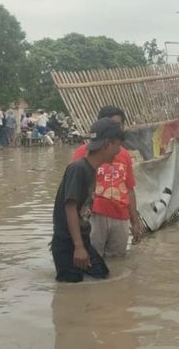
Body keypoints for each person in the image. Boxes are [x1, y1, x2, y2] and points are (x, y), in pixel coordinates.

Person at [51, 118, 124, 282]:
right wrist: (78, 247)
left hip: (81, 240)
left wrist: (83, 245)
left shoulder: (91, 170)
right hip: (67, 244)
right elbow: (70, 208)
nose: (119, 151)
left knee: (102, 275)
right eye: (118, 145)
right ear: (107, 145)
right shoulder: (78, 169)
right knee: (70, 290)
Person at [71, 106, 143, 258]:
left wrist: (135, 222)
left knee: (117, 263)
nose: (115, 129)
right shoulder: (83, 153)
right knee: (91, 259)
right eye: (111, 125)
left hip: (121, 216)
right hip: (94, 216)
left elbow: (129, 189)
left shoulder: (124, 155)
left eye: (118, 125)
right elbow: (72, 194)